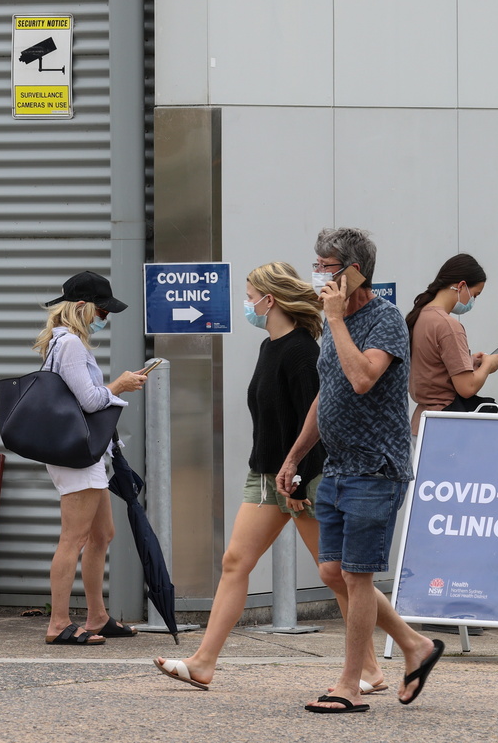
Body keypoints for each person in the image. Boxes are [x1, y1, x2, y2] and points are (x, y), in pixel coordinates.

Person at [153, 262, 384, 692]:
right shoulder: (269, 346)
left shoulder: (302, 352)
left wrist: (299, 479)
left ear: (269, 299)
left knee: (338, 574)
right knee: (235, 563)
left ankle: (376, 664)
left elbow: (316, 423)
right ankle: (203, 662)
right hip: (264, 475)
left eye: (249, 296)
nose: (246, 304)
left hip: (302, 480)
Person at [277, 228, 443, 714]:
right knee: (333, 571)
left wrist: (335, 319)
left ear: (354, 272)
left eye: (327, 266)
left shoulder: (384, 318)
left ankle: (350, 684)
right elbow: (327, 394)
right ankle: (416, 645)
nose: (318, 274)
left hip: (376, 467)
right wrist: (294, 456)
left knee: (356, 575)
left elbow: (363, 377)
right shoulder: (335, 323)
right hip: (337, 465)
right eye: (317, 264)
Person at [35, 271, 147, 646]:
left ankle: (97, 616)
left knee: (102, 534)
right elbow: (90, 401)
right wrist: (121, 385)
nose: (105, 318)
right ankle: (58, 623)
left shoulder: (66, 342)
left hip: (85, 451)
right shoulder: (69, 345)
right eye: (102, 311)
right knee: (75, 537)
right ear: (82, 307)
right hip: (75, 453)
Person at [404, 254, 498, 436]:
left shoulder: (420, 316)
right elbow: (467, 388)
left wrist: (467, 362)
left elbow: (432, 368)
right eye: (475, 295)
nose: (473, 300)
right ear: (461, 286)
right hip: (446, 427)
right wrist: (488, 366)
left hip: (421, 424)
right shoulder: (448, 326)